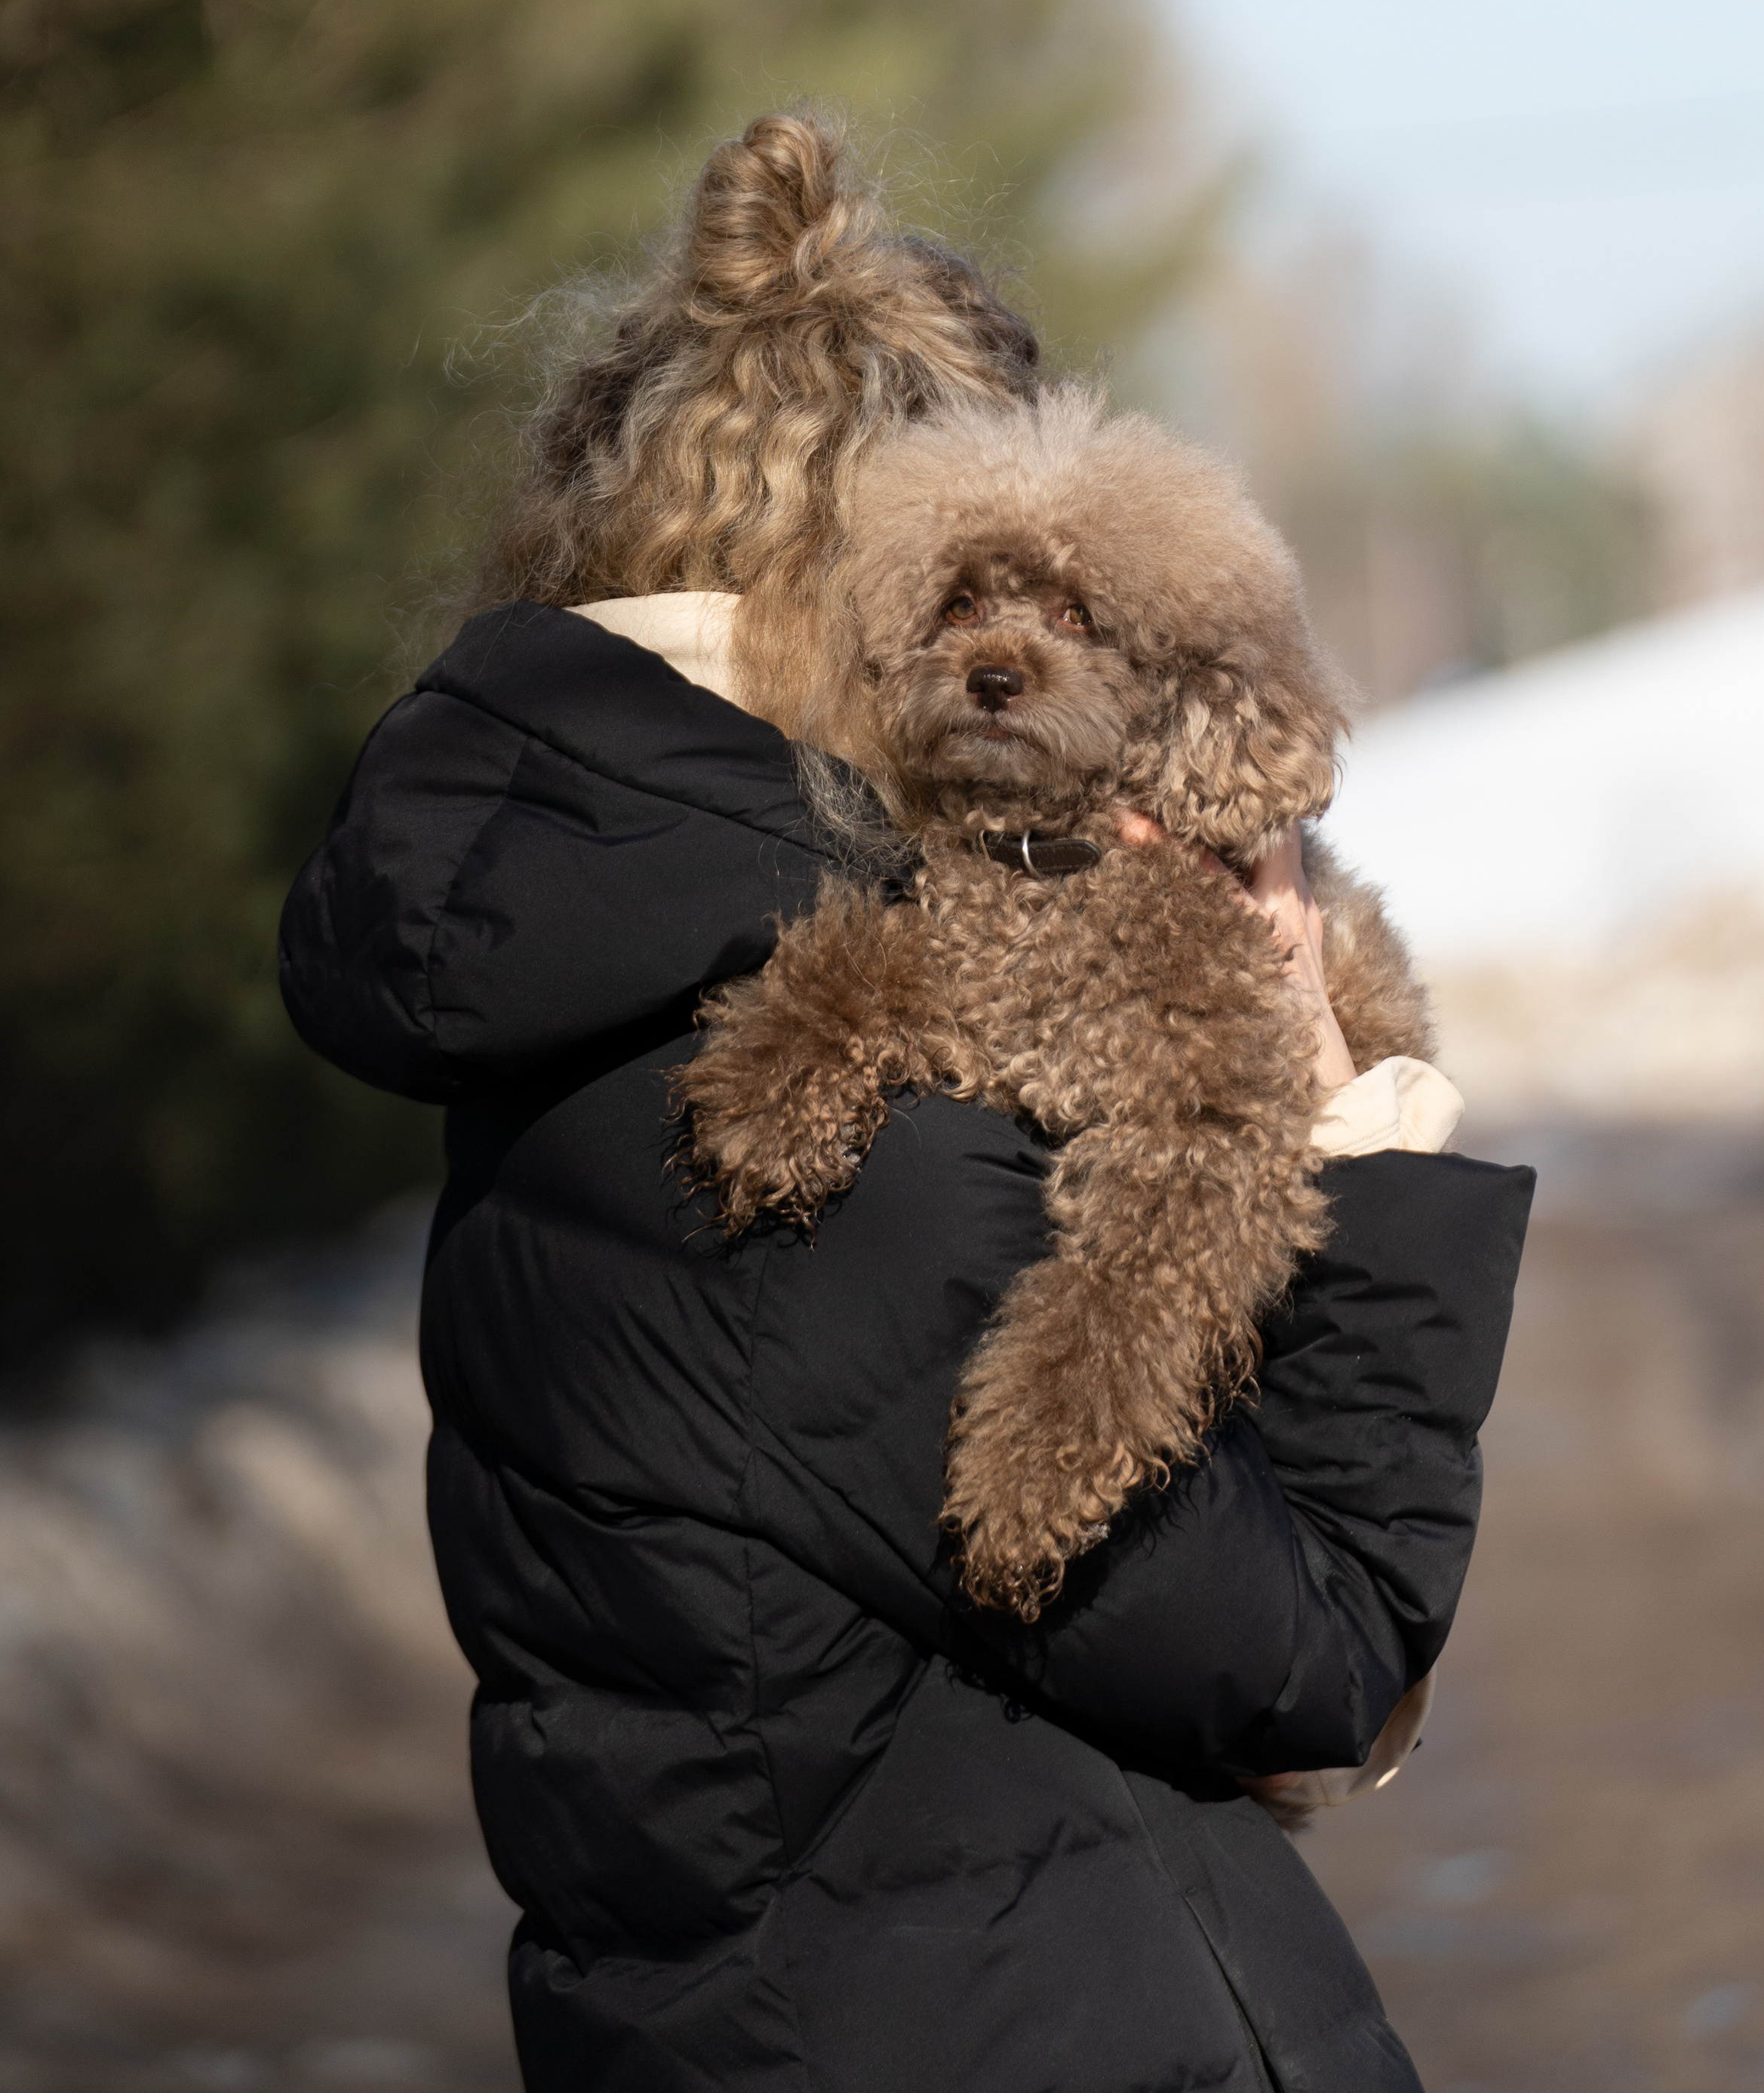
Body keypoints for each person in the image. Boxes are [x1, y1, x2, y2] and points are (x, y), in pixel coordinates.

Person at [281, 112, 1532, 2093]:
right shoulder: (814, 1143)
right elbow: (1311, 1653)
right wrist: (1338, 1118)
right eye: (979, 590)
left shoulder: (589, 1020)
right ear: (859, 604)